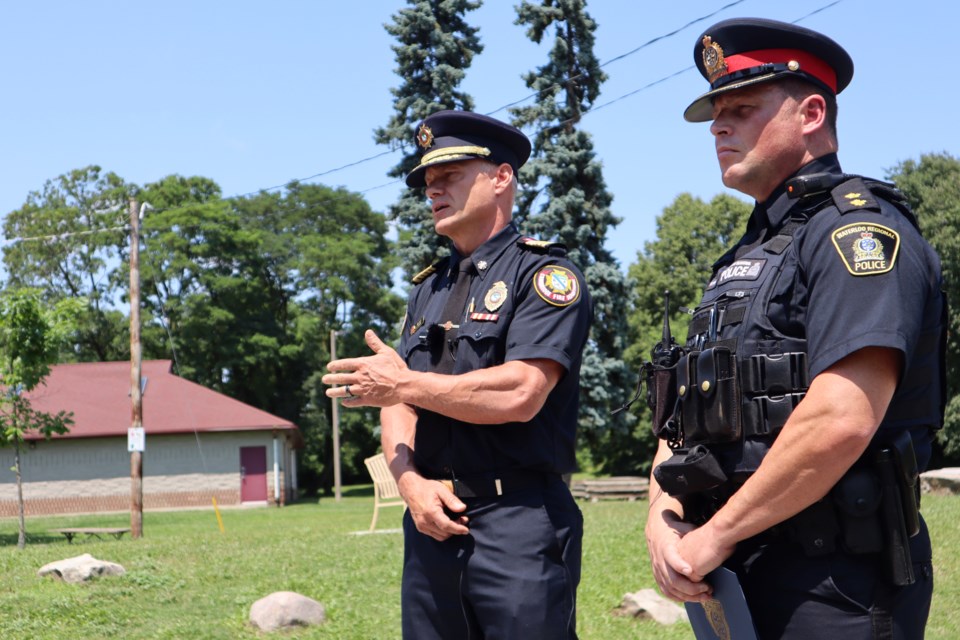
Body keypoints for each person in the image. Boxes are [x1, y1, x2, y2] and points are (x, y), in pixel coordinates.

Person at [644, 17, 944, 639]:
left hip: (834, 580)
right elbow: (682, 415)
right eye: (715, 114)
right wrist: (661, 514)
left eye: (743, 108)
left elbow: (842, 416)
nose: (720, 127)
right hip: (735, 569)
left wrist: (716, 535)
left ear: (811, 113)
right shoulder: (743, 258)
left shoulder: (855, 234)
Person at [322, 110, 592, 639]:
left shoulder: (544, 276)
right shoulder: (428, 288)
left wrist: (403, 385)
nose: (433, 191)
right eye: (428, 182)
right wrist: (409, 485)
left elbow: (521, 392)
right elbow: (398, 403)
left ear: (500, 177)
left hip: (518, 521)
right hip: (430, 521)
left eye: (448, 176)